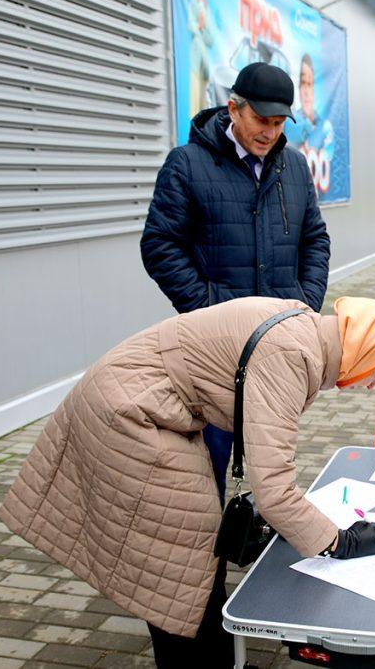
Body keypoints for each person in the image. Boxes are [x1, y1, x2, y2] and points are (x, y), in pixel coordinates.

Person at [0, 296, 375, 667]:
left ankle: (214, 656)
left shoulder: (304, 329)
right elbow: (273, 491)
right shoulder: (291, 355)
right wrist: (340, 542)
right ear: (364, 352)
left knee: (190, 547)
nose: (371, 387)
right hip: (129, 414)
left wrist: (308, 527)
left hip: (143, 401)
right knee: (179, 551)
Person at [142, 61, 332, 508]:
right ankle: (205, 573)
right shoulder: (187, 166)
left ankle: (262, 542)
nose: (270, 132)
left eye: (279, 122)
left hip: (279, 346)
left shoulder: (295, 168)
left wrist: (304, 305)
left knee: (272, 461)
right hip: (215, 350)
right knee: (207, 471)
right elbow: (160, 245)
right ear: (233, 109)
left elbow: (316, 240)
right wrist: (207, 307)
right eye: (261, 120)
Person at [288, 53, 335, 196]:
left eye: (310, 84)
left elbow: (327, 155)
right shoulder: (288, 122)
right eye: (303, 83)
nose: (307, 91)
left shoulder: (325, 127)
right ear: (298, 88)